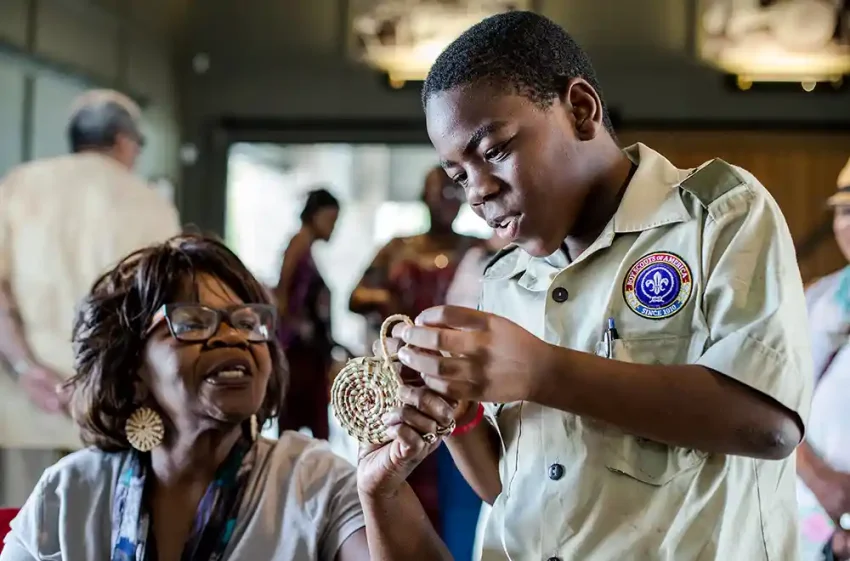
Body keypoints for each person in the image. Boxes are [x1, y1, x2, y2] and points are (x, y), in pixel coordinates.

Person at [379, 11, 812, 561]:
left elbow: (769, 426)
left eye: (494, 150)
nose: (477, 192)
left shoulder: (715, 215)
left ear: (581, 111)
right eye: (459, 174)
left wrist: (541, 371)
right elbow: (509, 493)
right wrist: (458, 413)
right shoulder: (503, 281)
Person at [0, 234, 453, 561]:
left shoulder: (314, 482)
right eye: (194, 322)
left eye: (248, 321)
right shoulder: (72, 492)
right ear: (132, 368)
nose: (233, 336)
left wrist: (381, 493)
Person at [0, 89, 181, 507]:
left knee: (20, 531)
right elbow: (162, 310)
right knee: (102, 531)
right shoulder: (153, 206)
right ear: (123, 140)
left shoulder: (18, 186)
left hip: (26, 407)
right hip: (114, 411)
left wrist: (28, 369)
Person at [349, 166, 482, 536]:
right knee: (402, 462)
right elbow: (356, 296)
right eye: (439, 194)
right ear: (423, 198)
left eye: (454, 195)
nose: (446, 203)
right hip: (403, 370)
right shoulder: (399, 247)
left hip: (456, 374)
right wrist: (389, 300)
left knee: (460, 469)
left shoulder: (474, 248)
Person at [798, 156, 850, 561]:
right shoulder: (816, 298)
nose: (848, 224)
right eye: (844, 212)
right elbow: (773, 400)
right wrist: (818, 478)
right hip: (809, 518)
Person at [275, 188, 344, 440]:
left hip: (308, 353)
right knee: (297, 429)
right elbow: (282, 295)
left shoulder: (307, 248)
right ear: (315, 215)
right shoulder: (298, 244)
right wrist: (296, 328)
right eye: (330, 220)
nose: (333, 228)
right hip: (297, 354)